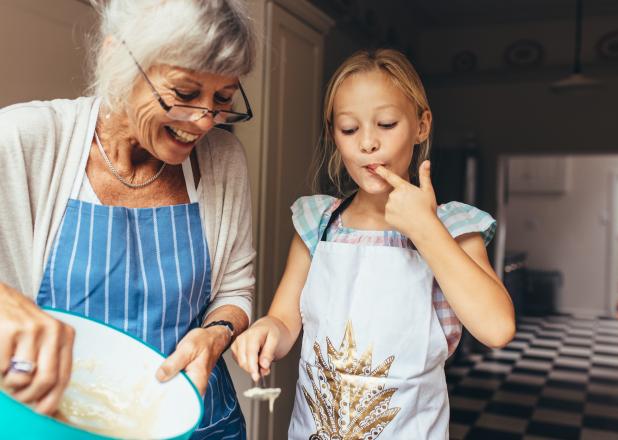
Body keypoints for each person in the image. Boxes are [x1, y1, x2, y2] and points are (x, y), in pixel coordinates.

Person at [0, 0, 257, 437]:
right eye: (185, 93)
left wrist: (215, 333)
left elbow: (235, 286)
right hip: (57, 422)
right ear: (117, 57)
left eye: (223, 99)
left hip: (199, 422)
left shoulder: (224, 160)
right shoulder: (24, 140)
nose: (204, 121)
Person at [231, 48, 515, 438]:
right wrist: (266, 332)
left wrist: (426, 229)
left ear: (422, 125)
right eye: (349, 129)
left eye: (385, 123)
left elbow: (497, 329)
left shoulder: (454, 227)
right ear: (335, 136)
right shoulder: (318, 223)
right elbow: (284, 321)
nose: (368, 143)